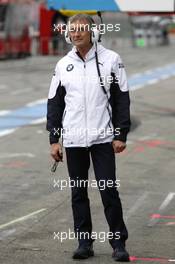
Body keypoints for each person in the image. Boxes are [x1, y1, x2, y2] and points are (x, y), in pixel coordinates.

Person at [46, 14, 131, 262]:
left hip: (103, 137)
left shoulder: (111, 60)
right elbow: (54, 103)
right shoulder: (63, 64)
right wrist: (54, 139)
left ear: (93, 32)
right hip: (73, 140)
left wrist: (120, 133)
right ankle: (84, 243)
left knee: (108, 191)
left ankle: (118, 243)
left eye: (81, 30)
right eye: (72, 31)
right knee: (78, 193)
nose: (76, 34)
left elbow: (121, 99)